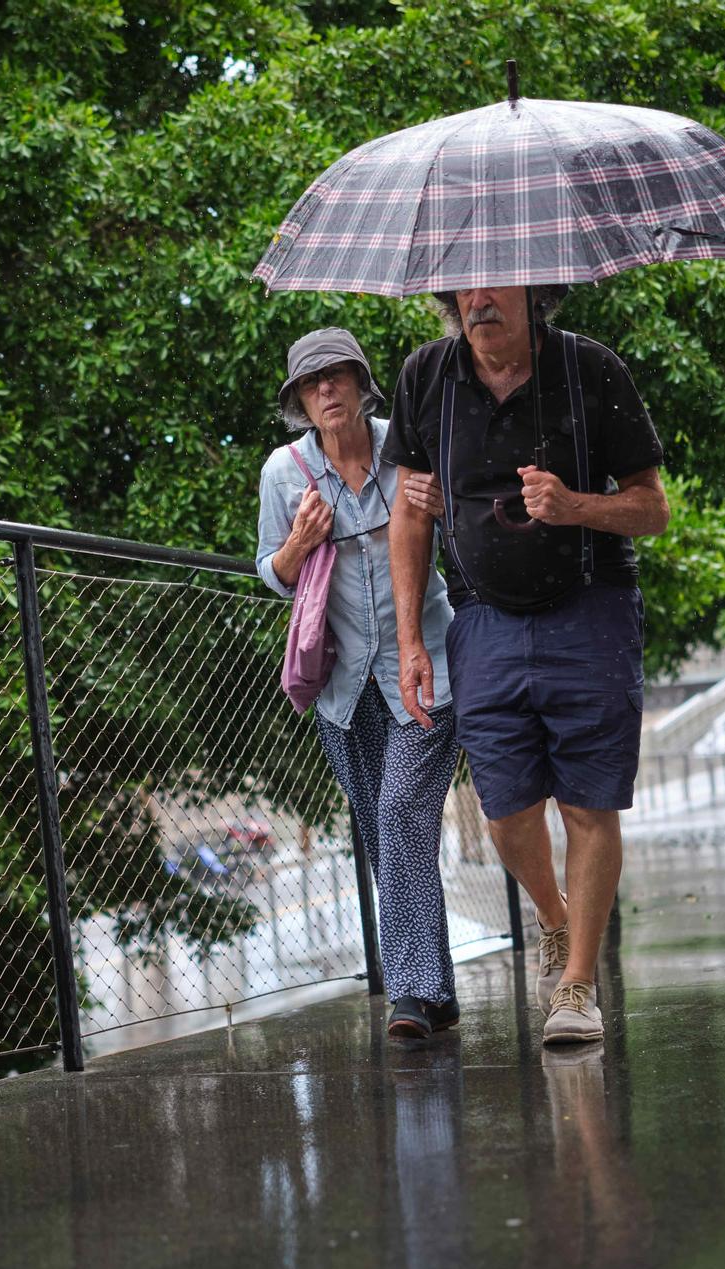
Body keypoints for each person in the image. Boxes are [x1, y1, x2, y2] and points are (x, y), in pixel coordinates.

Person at [385, 287, 669, 1045]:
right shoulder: (426, 377)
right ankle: (555, 914)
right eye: (463, 287)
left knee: (587, 803)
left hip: (591, 607)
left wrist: (577, 506)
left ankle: (577, 985)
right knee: (506, 810)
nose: (478, 300)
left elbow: (652, 507)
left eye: (496, 282)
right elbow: (409, 514)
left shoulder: (591, 371)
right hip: (482, 619)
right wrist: (411, 640)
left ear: (533, 291)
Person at [256, 328, 461, 1040]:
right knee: (385, 833)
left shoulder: (407, 447)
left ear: (362, 383)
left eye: (338, 376)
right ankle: (436, 988)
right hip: (343, 687)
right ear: (300, 403)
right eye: (313, 384)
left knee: (403, 811)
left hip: (425, 663)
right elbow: (272, 574)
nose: (328, 391)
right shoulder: (283, 474)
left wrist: (443, 507)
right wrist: (297, 544)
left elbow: (462, 531)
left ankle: (411, 992)